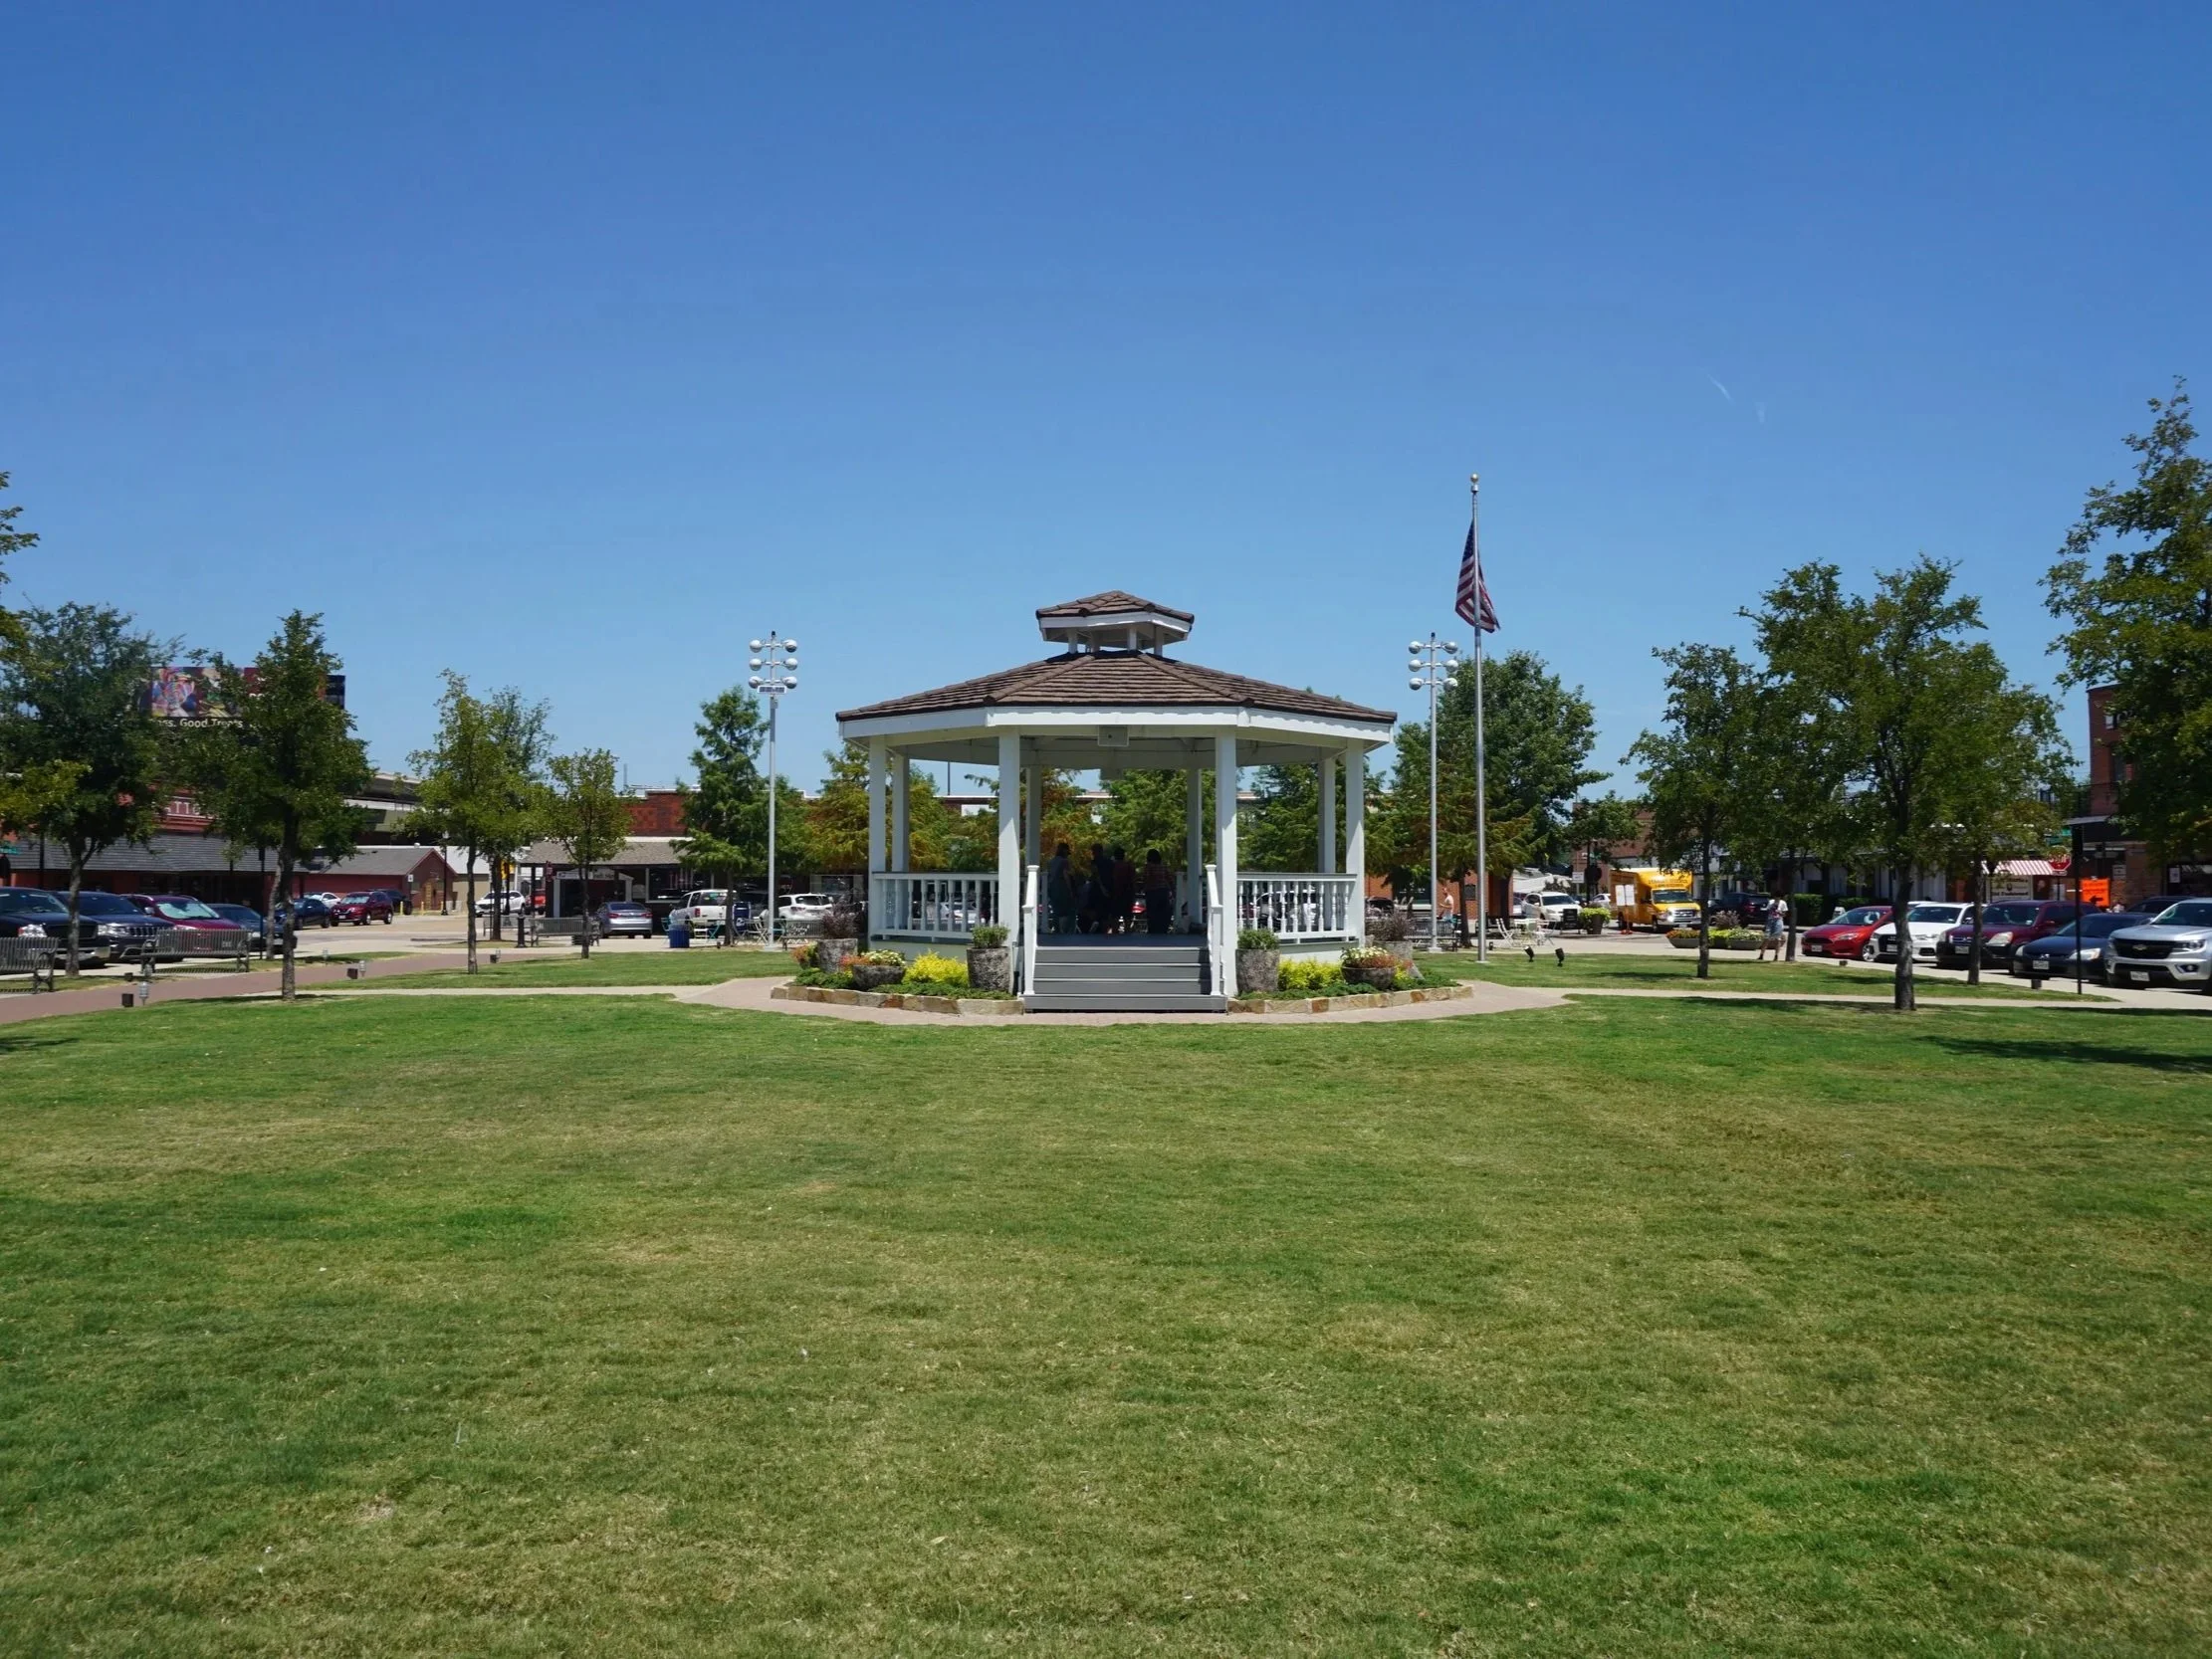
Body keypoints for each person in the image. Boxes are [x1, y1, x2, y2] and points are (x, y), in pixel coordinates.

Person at [1045, 842, 1078, 933]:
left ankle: (1057, 930)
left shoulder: (1051, 862)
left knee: (1056, 911)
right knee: (1070, 910)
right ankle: (1069, 931)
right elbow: (1066, 875)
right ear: (1065, 851)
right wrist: (1071, 890)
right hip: (1063, 889)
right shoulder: (1064, 861)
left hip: (1052, 889)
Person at [1142, 849, 1175, 933]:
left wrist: (1145, 887)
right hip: (1163, 891)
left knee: (1152, 912)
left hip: (1152, 891)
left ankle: (1152, 930)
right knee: (1163, 912)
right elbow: (1170, 878)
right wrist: (1172, 890)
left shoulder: (1148, 866)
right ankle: (1162, 930)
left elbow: (1146, 878)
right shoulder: (1163, 866)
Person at [1109, 844, 1137, 934]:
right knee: (1127, 916)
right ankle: (1127, 933)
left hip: (1115, 893)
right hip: (1127, 893)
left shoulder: (1112, 866)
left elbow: (1111, 879)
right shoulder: (1129, 866)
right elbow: (1133, 880)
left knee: (1115, 916)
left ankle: (1115, 932)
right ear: (1123, 855)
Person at [1758, 896, 1787, 961]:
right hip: (1770, 921)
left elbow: (1784, 914)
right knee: (1766, 938)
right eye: (1776, 898)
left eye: (1778, 898)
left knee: (1777, 939)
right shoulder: (1771, 902)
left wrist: (1779, 912)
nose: (1777, 899)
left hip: (1778, 921)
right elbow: (1767, 910)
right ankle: (1761, 955)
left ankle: (1776, 956)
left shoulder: (1783, 903)